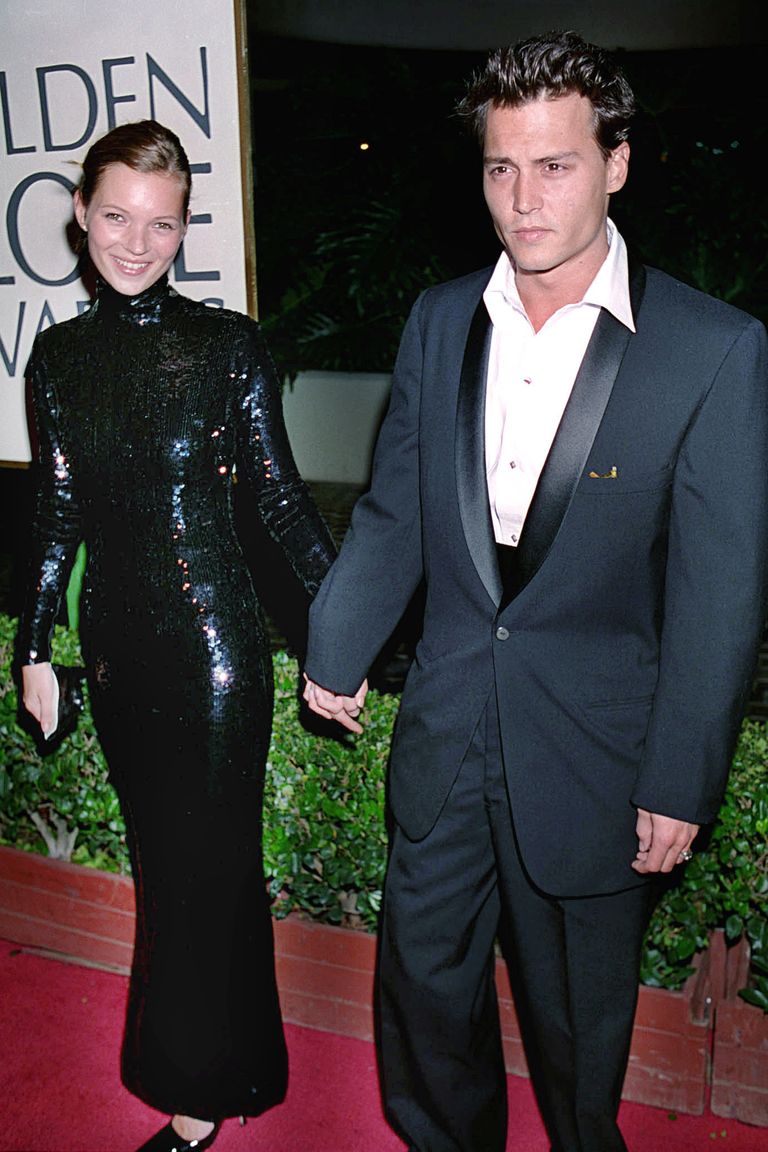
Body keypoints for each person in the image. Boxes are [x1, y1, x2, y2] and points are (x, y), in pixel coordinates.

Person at [302, 29, 768, 1152]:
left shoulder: (711, 347)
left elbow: (720, 589)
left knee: (574, 1034)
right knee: (423, 993)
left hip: (598, 759)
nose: (523, 197)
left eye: (554, 164)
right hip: (452, 725)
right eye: (501, 166)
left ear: (616, 162)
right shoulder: (440, 317)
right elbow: (397, 508)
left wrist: (680, 776)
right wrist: (337, 641)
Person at [17, 120, 336, 1152]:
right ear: (79, 214)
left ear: (186, 226)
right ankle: (188, 1066)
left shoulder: (225, 345)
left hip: (212, 653)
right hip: (118, 655)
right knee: (166, 867)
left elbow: (283, 506)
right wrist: (34, 648)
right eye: (115, 215)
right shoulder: (58, 359)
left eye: (160, 223)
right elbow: (56, 515)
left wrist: (347, 626)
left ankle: (203, 1100)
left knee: (212, 869)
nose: (134, 241)